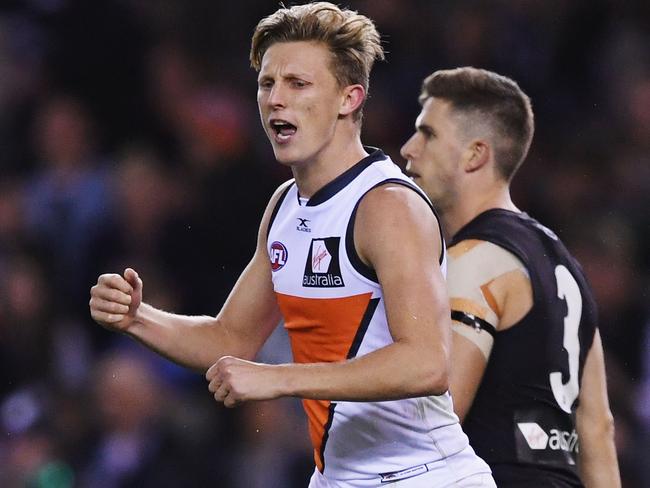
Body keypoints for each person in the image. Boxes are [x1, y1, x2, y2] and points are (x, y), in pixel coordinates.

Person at [90, 3, 494, 487]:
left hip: (424, 475)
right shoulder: (285, 205)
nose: (275, 99)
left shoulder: (387, 206)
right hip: (338, 477)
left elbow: (426, 362)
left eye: (297, 84)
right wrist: (138, 317)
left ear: (350, 98)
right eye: (266, 84)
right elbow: (230, 341)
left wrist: (279, 378)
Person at [401, 66, 621, 487]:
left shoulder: (476, 260)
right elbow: (598, 429)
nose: (410, 149)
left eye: (427, 133)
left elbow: (437, 428)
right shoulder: (567, 267)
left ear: (475, 154)